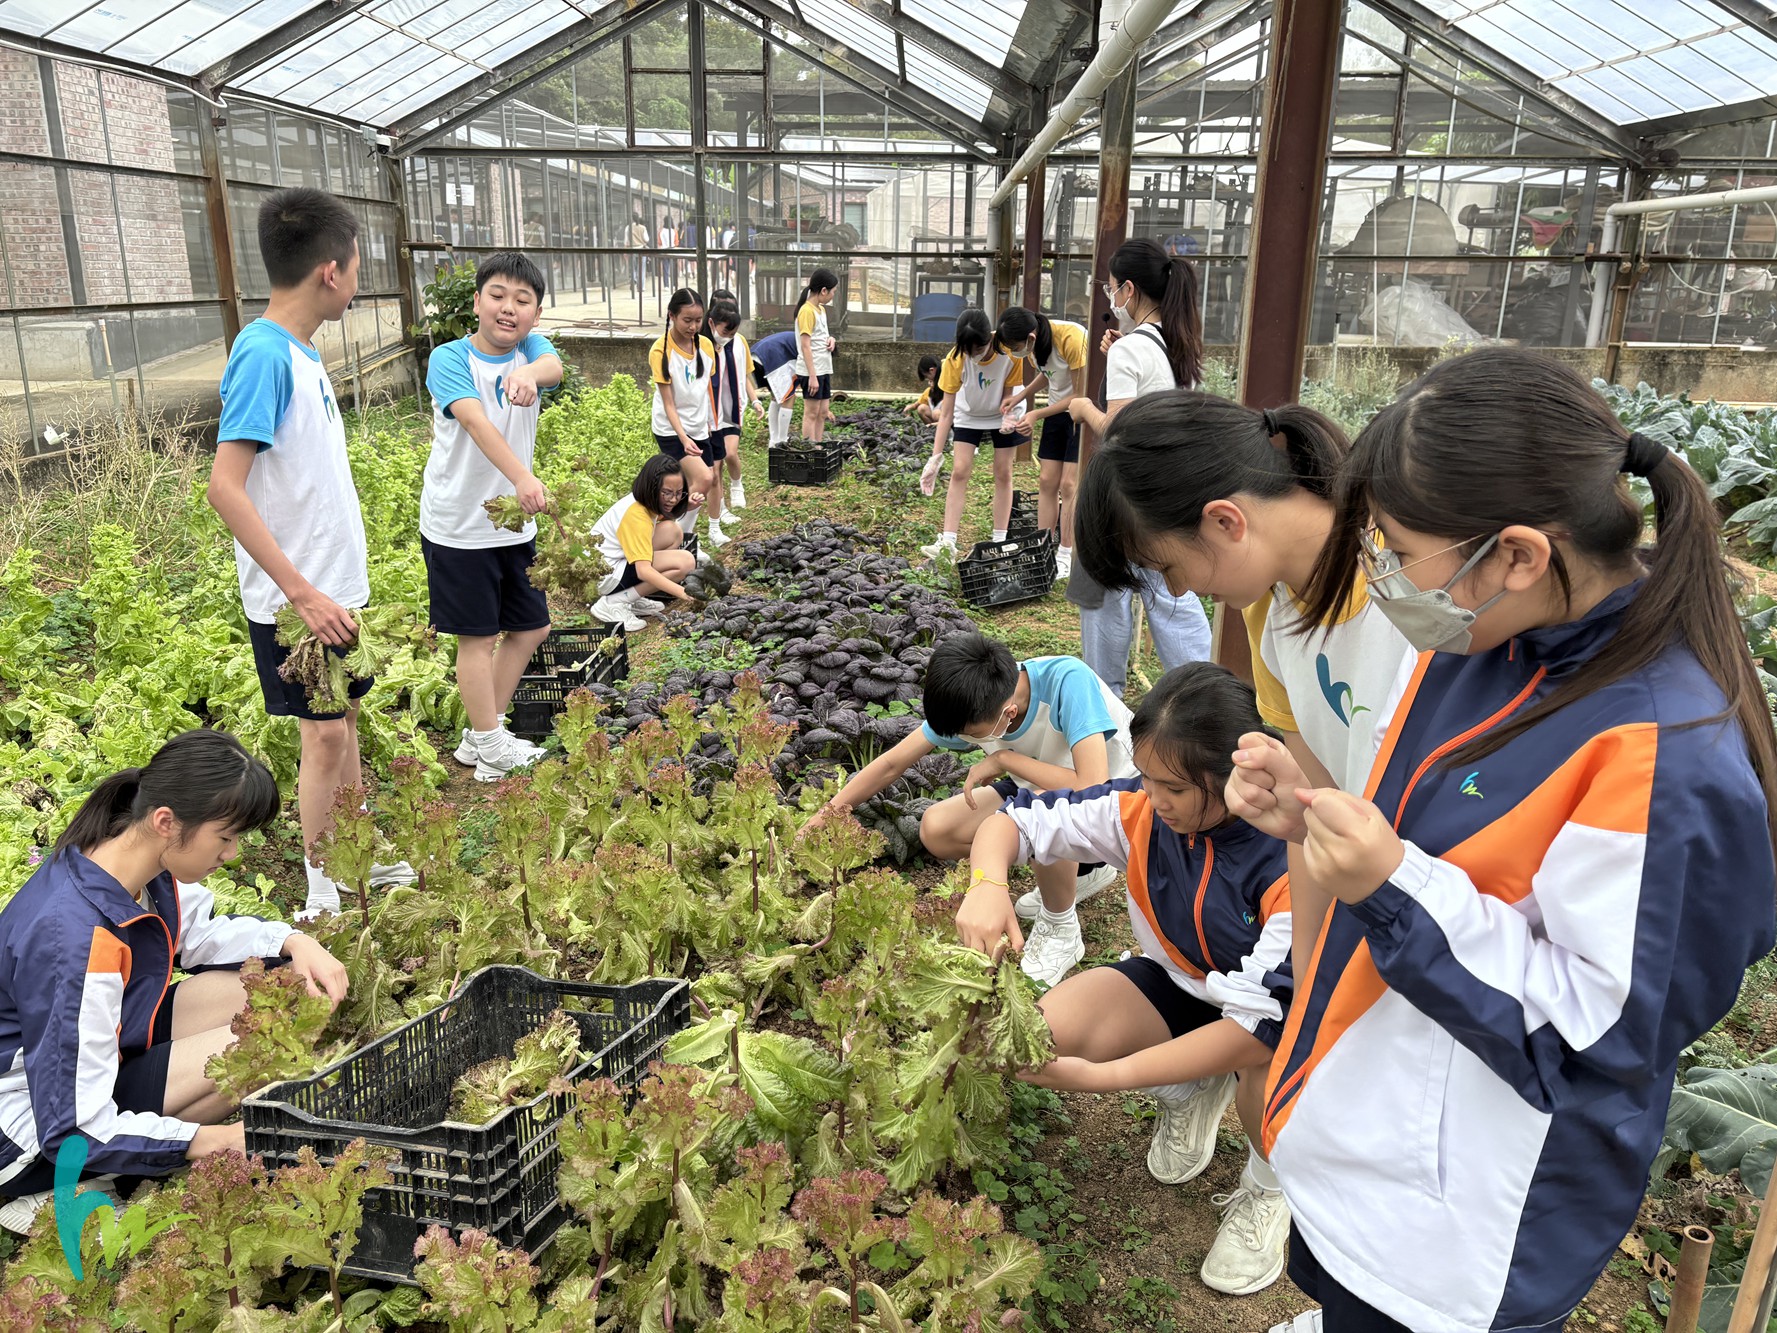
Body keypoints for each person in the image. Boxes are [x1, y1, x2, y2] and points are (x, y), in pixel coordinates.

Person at [1238, 350, 1777, 1333]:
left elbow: (1598, 1036)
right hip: (1370, 1130)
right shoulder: (1476, 640)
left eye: (1397, 548)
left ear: (1518, 555)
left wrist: (1387, 884)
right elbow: (1432, 841)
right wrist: (1313, 810)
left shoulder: (1664, 758)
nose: (1380, 574)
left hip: (1464, 1219)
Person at [957, 663, 1293, 1296]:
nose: (1154, 798)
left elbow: (1260, 1025)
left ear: (1234, 777)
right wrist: (987, 884)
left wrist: (1107, 1080)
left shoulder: (1292, 858)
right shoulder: (1141, 808)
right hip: (1182, 983)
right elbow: (1016, 822)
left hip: (1273, 1025)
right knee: (1040, 1033)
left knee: (1269, 1080)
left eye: (1174, 787)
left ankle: (1269, 1186)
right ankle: (1191, 1090)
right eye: (1146, 776)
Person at [1073, 390, 1416, 995]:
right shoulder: (1269, 609)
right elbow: (1315, 806)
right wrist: (1307, 979)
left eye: (1167, 568)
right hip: (1381, 899)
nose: (1178, 592)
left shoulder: (1415, 584)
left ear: (1225, 522)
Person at [0, 731, 349, 1233]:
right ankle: (54, 1189)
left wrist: (295, 942)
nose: (232, 854)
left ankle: (135, 1148)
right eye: (225, 837)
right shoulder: (76, 942)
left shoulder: (131, 857)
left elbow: (201, 935)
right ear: (167, 821)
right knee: (266, 1041)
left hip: (100, 1047)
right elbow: (73, 1127)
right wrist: (216, 1141)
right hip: (31, 1129)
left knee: (285, 994)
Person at [208, 187, 414, 921]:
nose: (357, 281)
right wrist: (301, 592)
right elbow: (225, 488)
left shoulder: (297, 352)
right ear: (332, 270)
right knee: (322, 734)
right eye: (357, 267)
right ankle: (322, 887)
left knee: (344, 722)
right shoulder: (263, 355)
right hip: (299, 602)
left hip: (331, 590)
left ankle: (354, 855)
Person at [826, 632, 1126, 986]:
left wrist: (1004, 759)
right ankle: (1083, 873)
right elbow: (893, 764)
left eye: (970, 735)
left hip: (1116, 798)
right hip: (1038, 782)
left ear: (1008, 713)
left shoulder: (1067, 682)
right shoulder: (973, 699)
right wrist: (828, 814)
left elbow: (1093, 787)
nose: (964, 739)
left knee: (1042, 809)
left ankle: (1061, 928)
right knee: (938, 828)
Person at [419, 250, 563, 783]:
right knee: (477, 639)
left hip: (512, 523)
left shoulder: (531, 350)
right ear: (477, 301)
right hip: (459, 525)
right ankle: (489, 744)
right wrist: (523, 477)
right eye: (497, 296)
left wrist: (528, 371)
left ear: (536, 314)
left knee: (532, 627)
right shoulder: (449, 359)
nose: (508, 308)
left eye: (522, 301)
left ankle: (483, 736)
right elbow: (477, 424)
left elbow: (554, 367)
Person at [1063, 238, 1212, 698]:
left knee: (1104, 594)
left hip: (1121, 496)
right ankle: (1201, 694)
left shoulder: (1131, 350)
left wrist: (1084, 408)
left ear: (1129, 290)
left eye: (1111, 288)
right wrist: (1119, 353)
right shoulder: (1175, 346)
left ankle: (1105, 700)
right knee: (1171, 596)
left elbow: (1119, 428)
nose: (1110, 298)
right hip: (1164, 492)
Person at [916, 310, 1025, 559]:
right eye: (969, 351)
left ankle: (1000, 540)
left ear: (989, 339)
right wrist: (935, 457)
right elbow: (946, 413)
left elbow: (1008, 394)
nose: (975, 355)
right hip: (969, 414)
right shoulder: (954, 359)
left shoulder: (1009, 351)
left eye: (979, 349)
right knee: (960, 470)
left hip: (1003, 412)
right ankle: (948, 542)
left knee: (1003, 472)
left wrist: (1008, 416)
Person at [997, 307, 1090, 581]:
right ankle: (1043, 547)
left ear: (1031, 337)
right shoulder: (1036, 345)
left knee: (1069, 484)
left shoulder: (1071, 338)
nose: (1016, 353)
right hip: (1056, 411)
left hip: (1081, 412)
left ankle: (1066, 553)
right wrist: (1021, 396)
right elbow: (1047, 374)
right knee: (1047, 480)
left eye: (1016, 347)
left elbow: (1080, 393)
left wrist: (1036, 414)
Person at [649, 287, 727, 548]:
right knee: (704, 478)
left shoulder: (706, 345)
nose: (693, 327)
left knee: (698, 483)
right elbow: (668, 403)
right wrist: (683, 438)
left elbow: (706, 389)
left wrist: (712, 423)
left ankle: (679, 539)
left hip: (699, 427)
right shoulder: (660, 351)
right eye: (687, 320)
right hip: (671, 430)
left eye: (698, 320)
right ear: (671, 315)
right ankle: (673, 539)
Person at [589, 454, 698, 630]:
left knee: (673, 531)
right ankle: (615, 602)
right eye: (667, 492)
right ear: (652, 487)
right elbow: (643, 571)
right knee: (685, 562)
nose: (673, 499)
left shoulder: (643, 502)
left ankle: (632, 596)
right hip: (604, 576)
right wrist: (685, 593)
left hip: (615, 561)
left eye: (679, 493)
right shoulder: (636, 515)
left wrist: (686, 505)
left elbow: (663, 523)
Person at [705, 296, 762, 514]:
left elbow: (743, 374)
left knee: (730, 453)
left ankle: (737, 486)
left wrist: (755, 400)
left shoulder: (739, 342)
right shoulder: (704, 345)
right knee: (716, 464)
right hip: (711, 413)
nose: (728, 337)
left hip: (732, 409)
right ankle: (720, 507)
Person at [792, 268, 839, 445]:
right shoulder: (806, 311)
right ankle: (809, 449)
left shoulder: (821, 310)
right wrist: (812, 376)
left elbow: (820, 336)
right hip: (812, 370)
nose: (833, 296)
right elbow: (805, 345)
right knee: (811, 413)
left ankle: (817, 448)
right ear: (823, 290)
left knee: (822, 412)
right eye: (833, 292)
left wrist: (831, 339)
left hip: (823, 367)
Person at [751, 328, 800, 450]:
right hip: (771, 355)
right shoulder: (814, 348)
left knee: (776, 397)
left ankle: (774, 441)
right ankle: (782, 441)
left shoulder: (805, 338)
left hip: (756, 355)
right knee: (789, 397)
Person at [904, 354, 942, 425]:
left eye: (930, 380)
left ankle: (940, 428)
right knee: (922, 408)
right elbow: (918, 404)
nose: (929, 382)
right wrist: (911, 407)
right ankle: (932, 429)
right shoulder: (929, 391)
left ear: (932, 370)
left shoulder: (947, 387)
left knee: (936, 413)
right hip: (938, 419)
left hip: (949, 420)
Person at [629, 212, 649, 297]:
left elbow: (626, 240)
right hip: (641, 249)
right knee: (641, 268)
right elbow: (646, 239)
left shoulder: (628, 228)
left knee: (633, 267)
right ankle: (641, 286)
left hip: (632, 249)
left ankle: (634, 279)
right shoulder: (643, 228)